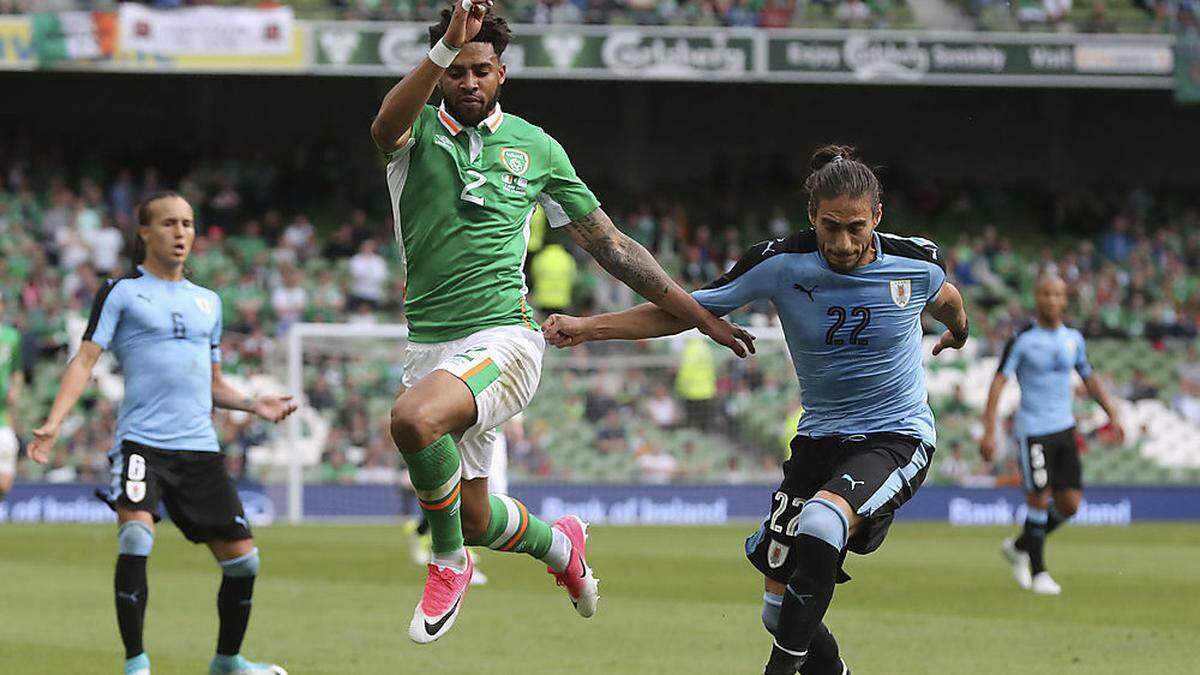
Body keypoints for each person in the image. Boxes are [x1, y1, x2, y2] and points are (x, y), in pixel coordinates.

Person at [368, 0, 750, 643]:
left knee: (413, 420)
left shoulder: (535, 147)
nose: (468, 82)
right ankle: (561, 547)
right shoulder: (417, 136)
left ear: (502, 73)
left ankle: (446, 561)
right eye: (456, 71)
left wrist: (699, 315)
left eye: (480, 70)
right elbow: (384, 127)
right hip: (430, 348)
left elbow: (613, 247)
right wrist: (440, 52)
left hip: (506, 340)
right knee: (480, 516)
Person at [543, 145, 970, 675]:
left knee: (822, 521)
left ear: (877, 218)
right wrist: (589, 328)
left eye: (856, 228)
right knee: (777, 611)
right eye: (829, 226)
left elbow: (946, 296)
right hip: (819, 440)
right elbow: (682, 310)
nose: (842, 242)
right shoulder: (778, 264)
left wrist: (959, 330)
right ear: (811, 215)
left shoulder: (914, 262)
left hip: (894, 435)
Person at [28, 192, 298, 675]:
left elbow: (213, 383)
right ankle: (137, 665)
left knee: (244, 563)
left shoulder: (208, 303)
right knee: (135, 538)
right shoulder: (122, 292)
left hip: (199, 449)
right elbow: (86, 359)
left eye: (188, 224)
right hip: (142, 445)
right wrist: (54, 420)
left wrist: (253, 403)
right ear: (145, 233)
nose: (181, 233)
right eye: (169, 223)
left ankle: (228, 661)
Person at [980, 275, 1125, 595]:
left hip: (1065, 429)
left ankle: (1019, 546)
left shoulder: (1073, 338)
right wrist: (989, 428)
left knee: (1070, 504)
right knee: (1038, 497)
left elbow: (1089, 377)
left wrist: (1112, 413)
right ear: (1037, 297)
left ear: (1065, 300)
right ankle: (1039, 572)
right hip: (1033, 430)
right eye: (1045, 293)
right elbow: (999, 381)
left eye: (1057, 294)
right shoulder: (1022, 339)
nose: (1051, 299)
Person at [0, 293, 24, 505]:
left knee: (4, 484)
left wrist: (15, 389)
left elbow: (17, 370)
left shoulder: (11, 336)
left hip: (3, 417)